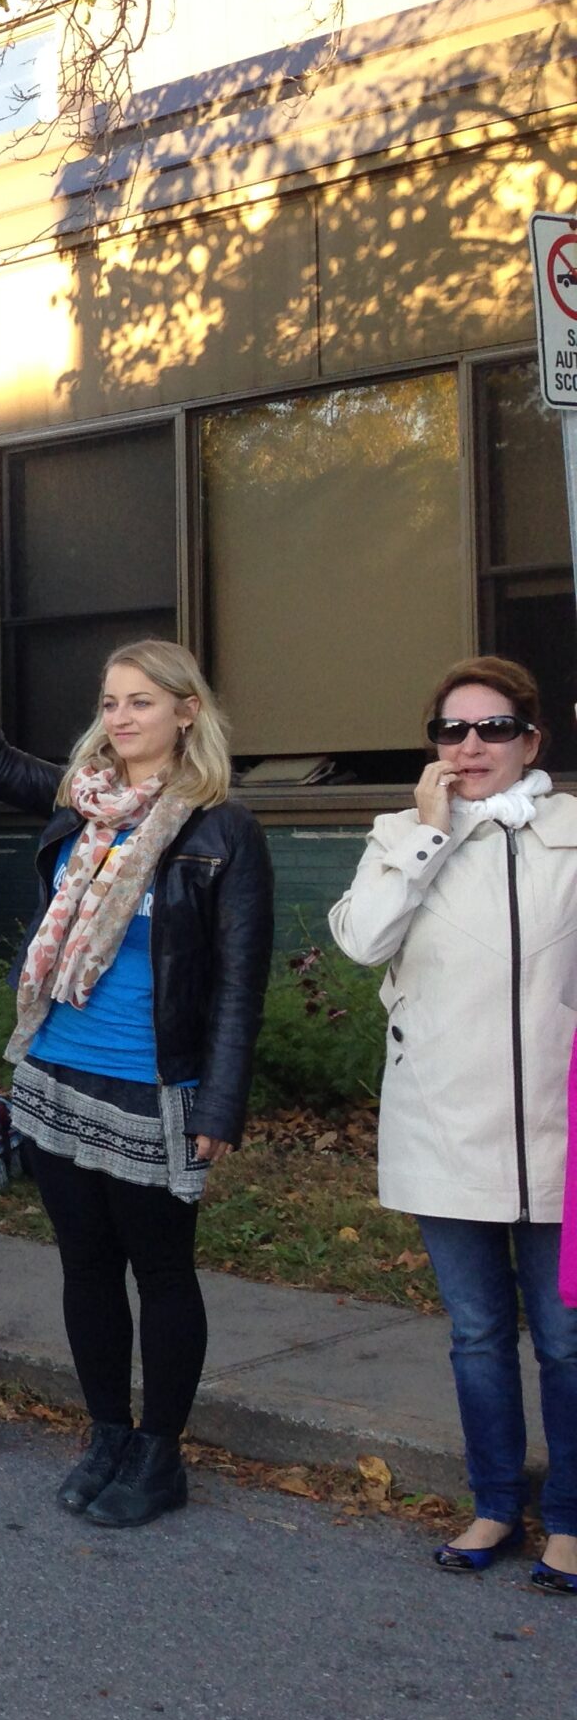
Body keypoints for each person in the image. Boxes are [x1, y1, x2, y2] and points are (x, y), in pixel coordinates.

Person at [0, 597, 270, 1528]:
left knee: (160, 1271)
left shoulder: (221, 830)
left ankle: (161, 1454)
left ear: (187, 712)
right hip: (54, 1069)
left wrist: (221, 1104)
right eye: (111, 702)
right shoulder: (83, 801)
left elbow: (239, 982)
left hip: (154, 1083)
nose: (120, 717)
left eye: (141, 701)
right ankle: (108, 1434)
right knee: (84, 1266)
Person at [330, 657, 575, 1592]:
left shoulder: (570, 832)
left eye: (494, 728)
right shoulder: (401, 834)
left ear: (531, 741)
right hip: (444, 1125)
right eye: (451, 730)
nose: (471, 746)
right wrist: (431, 835)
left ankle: (570, 1520)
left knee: (566, 1341)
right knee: (477, 1335)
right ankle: (495, 1504)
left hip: (559, 1130)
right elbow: (362, 941)